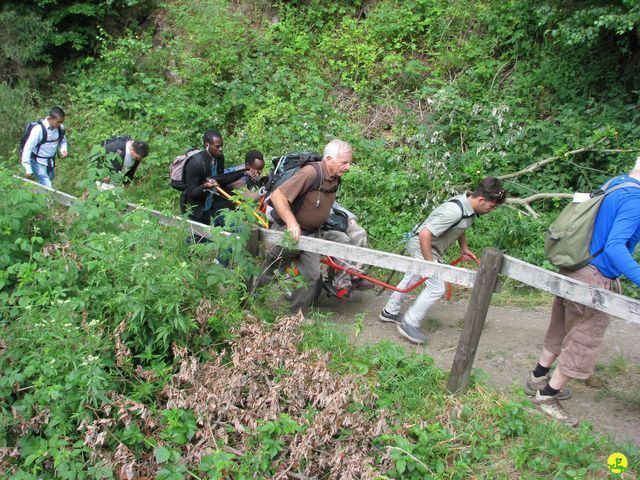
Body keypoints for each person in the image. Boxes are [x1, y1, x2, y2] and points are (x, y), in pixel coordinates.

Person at [525, 161, 640, 427]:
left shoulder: (615, 184)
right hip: (593, 278)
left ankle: (536, 378)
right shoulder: (635, 199)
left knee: (560, 327)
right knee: (584, 339)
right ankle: (547, 396)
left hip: (574, 266)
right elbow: (614, 247)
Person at [379, 177, 506, 344]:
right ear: (481, 199)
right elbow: (425, 234)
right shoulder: (454, 211)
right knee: (436, 288)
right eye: (491, 206)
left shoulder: (468, 207)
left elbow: (460, 226)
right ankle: (409, 323)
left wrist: (464, 247)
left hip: (427, 246)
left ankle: (390, 311)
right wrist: (430, 265)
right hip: (422, 246)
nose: (491, 210)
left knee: (412, 277)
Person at [257, 139, 352, 310]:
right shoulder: (310, 173)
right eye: (344, 162)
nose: (348, 167)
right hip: (290, 232)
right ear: (329, 159)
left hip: (312, 234)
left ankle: (294, 315)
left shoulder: (334, 179)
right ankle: (251, 302)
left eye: (349, 162)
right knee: (271, 267)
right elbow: (278, 196)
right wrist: (292, 222)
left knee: (312, 276)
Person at [320, 202, 374, 298]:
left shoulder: (324, 188)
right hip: (317, 226)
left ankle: (356, 275)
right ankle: (341, 283)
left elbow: (334, 204)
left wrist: (350, 217)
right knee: (342, 239)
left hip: (332, 221)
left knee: (360, 232)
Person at [179, 130, 226, 238]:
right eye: (217, 146)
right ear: (207, 145)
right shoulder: (195, 163)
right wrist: (205, 186)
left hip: (208, 203)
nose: (220, 149)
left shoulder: (219, 157)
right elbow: (192, 192)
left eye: (222, 146)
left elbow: (220, 178)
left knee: (205, 237)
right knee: (194, 238)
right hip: (194, 207)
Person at [21, 106, 68, 188]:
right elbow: (28, 148)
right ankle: (48, 200)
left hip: (50, 162)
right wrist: (27, 167)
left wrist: (63, 149)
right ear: (50, 119)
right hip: (37, 161)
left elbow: (62, 140)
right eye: (58, 122)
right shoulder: (38, 130)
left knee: (49, 179)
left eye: (62, 122)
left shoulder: (60, 127)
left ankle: (38, 197)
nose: (60, 124)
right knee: (47, 185)